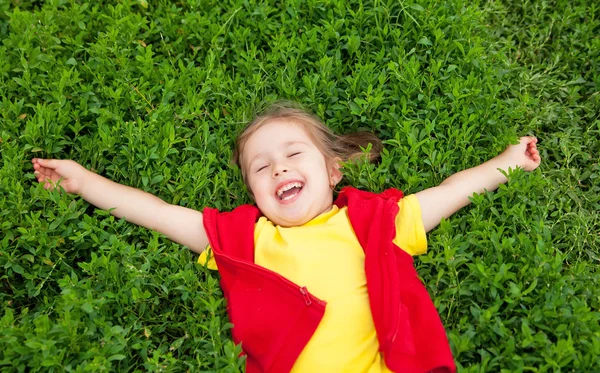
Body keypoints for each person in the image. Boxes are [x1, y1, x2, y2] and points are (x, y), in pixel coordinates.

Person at [32, 102, 541, 373]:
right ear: (252, 191)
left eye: (294, 154)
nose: (279, 168)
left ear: (334, 169)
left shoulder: (375, 223)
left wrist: (507, 163)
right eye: (261, 166)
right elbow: (159, 213)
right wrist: (83, 181)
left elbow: (450, 192)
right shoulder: (245, 240)